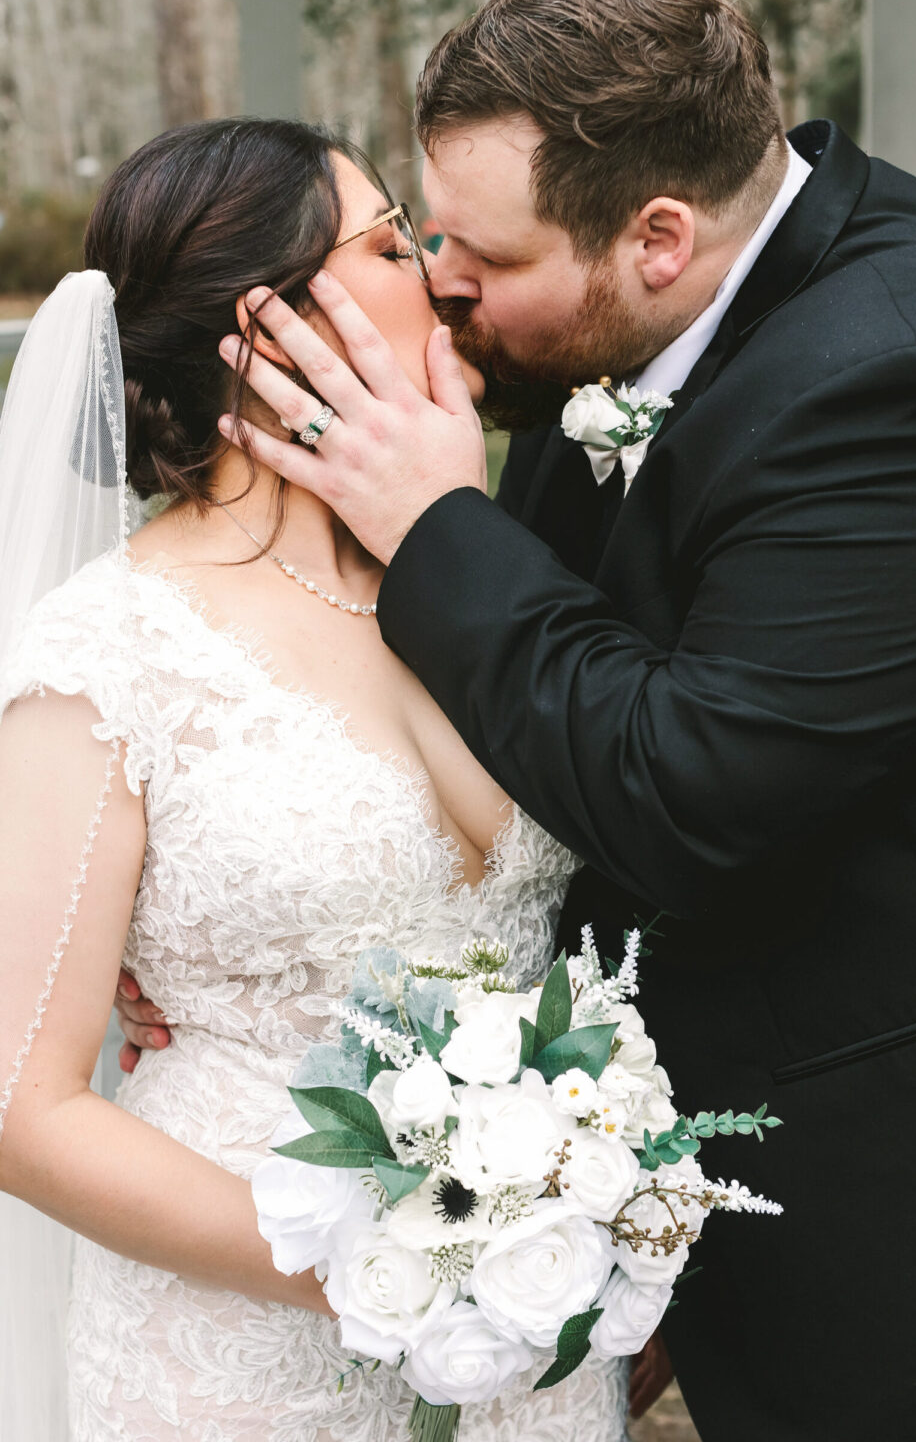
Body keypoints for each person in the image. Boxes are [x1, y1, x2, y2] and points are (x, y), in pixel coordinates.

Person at [125, 0, 916, 1442]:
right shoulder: (604, 330)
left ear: (655, 237)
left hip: (913, 1229)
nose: (442, 285)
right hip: (608, 1209)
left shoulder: (914, 376)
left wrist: (435, 521)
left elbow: (683, 792)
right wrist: (189, 922)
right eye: (419, 233)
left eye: (481, 254)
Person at [0, 117, 637, 1441]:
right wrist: (395, 1270)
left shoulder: (475, 586)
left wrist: (553, 1252)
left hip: (528, 1348)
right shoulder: (107, 654)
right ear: (277, 324)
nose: (442, 269)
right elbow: (22, 1104)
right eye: (396, 240)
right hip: (244, 1353)